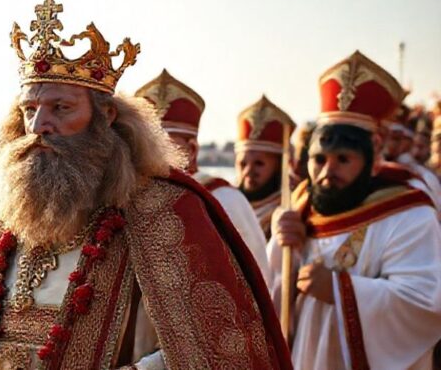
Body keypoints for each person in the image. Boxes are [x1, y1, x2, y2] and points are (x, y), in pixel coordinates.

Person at [0, 0, 291, 370]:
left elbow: (216, 352)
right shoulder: (9, 214)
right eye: (30, 110)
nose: (40, 125)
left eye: (61, 108)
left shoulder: (165, 211)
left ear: (106, 117)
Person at [268, 50, 441, 369]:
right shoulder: (303, 203)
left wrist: (338, 289)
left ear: (372, 159)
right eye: (319, 159)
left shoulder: (410, 214)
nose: (326, 172)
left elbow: (425, 303)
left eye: (343, 160)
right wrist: (280, 245)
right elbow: (272, 285)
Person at [135, 69, 270, 284]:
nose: (151, 154)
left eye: (164, 145)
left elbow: (258, 277)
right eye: (146, 144)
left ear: (192, 149)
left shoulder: (225, 199)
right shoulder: (128, 197)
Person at [234, 95, 296, 239]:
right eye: (243, 164)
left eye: (259, 164)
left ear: (279, 167)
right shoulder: (226, 205)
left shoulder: (292, 209)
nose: (248, 171)